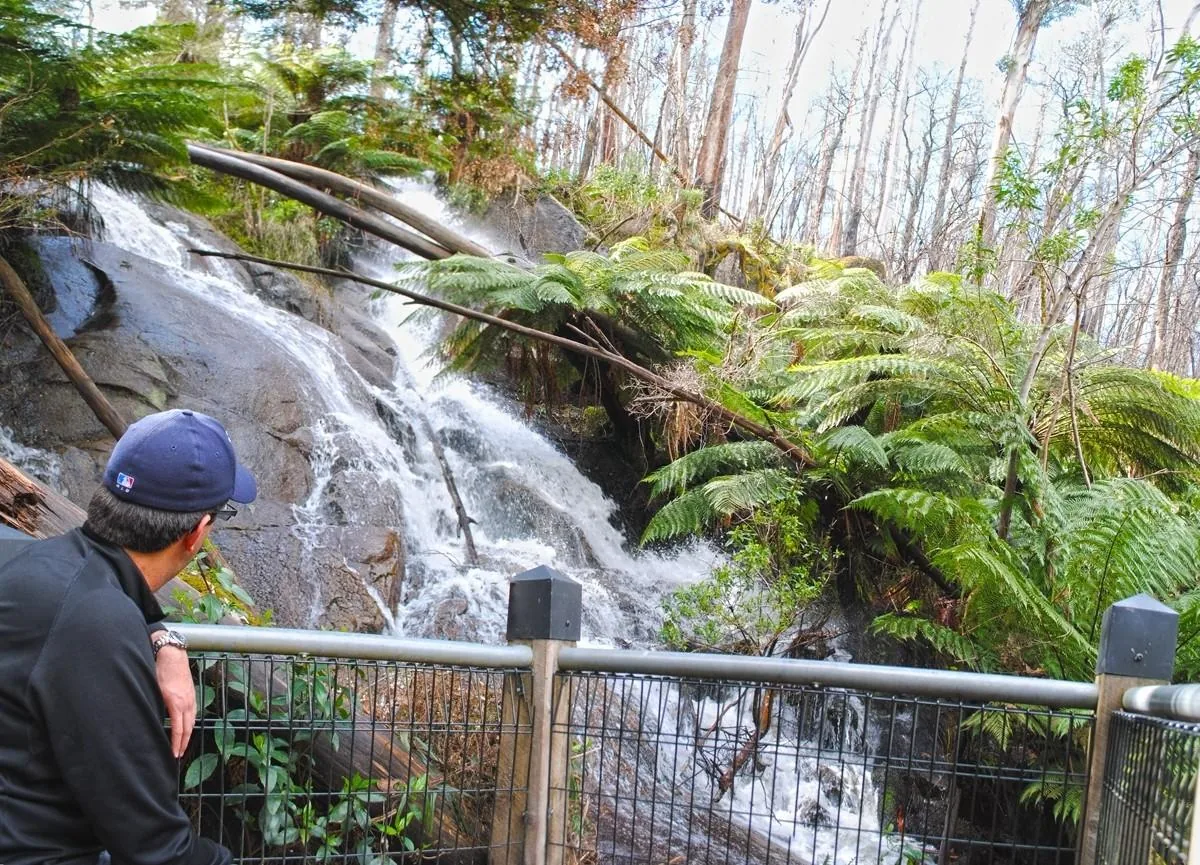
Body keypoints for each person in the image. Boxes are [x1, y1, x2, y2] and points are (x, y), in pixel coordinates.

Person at [0, 408, 257, 865]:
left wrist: (160, 636)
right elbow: (155, 848)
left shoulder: (27, 560)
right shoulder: (97, 626)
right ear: (197, 534)